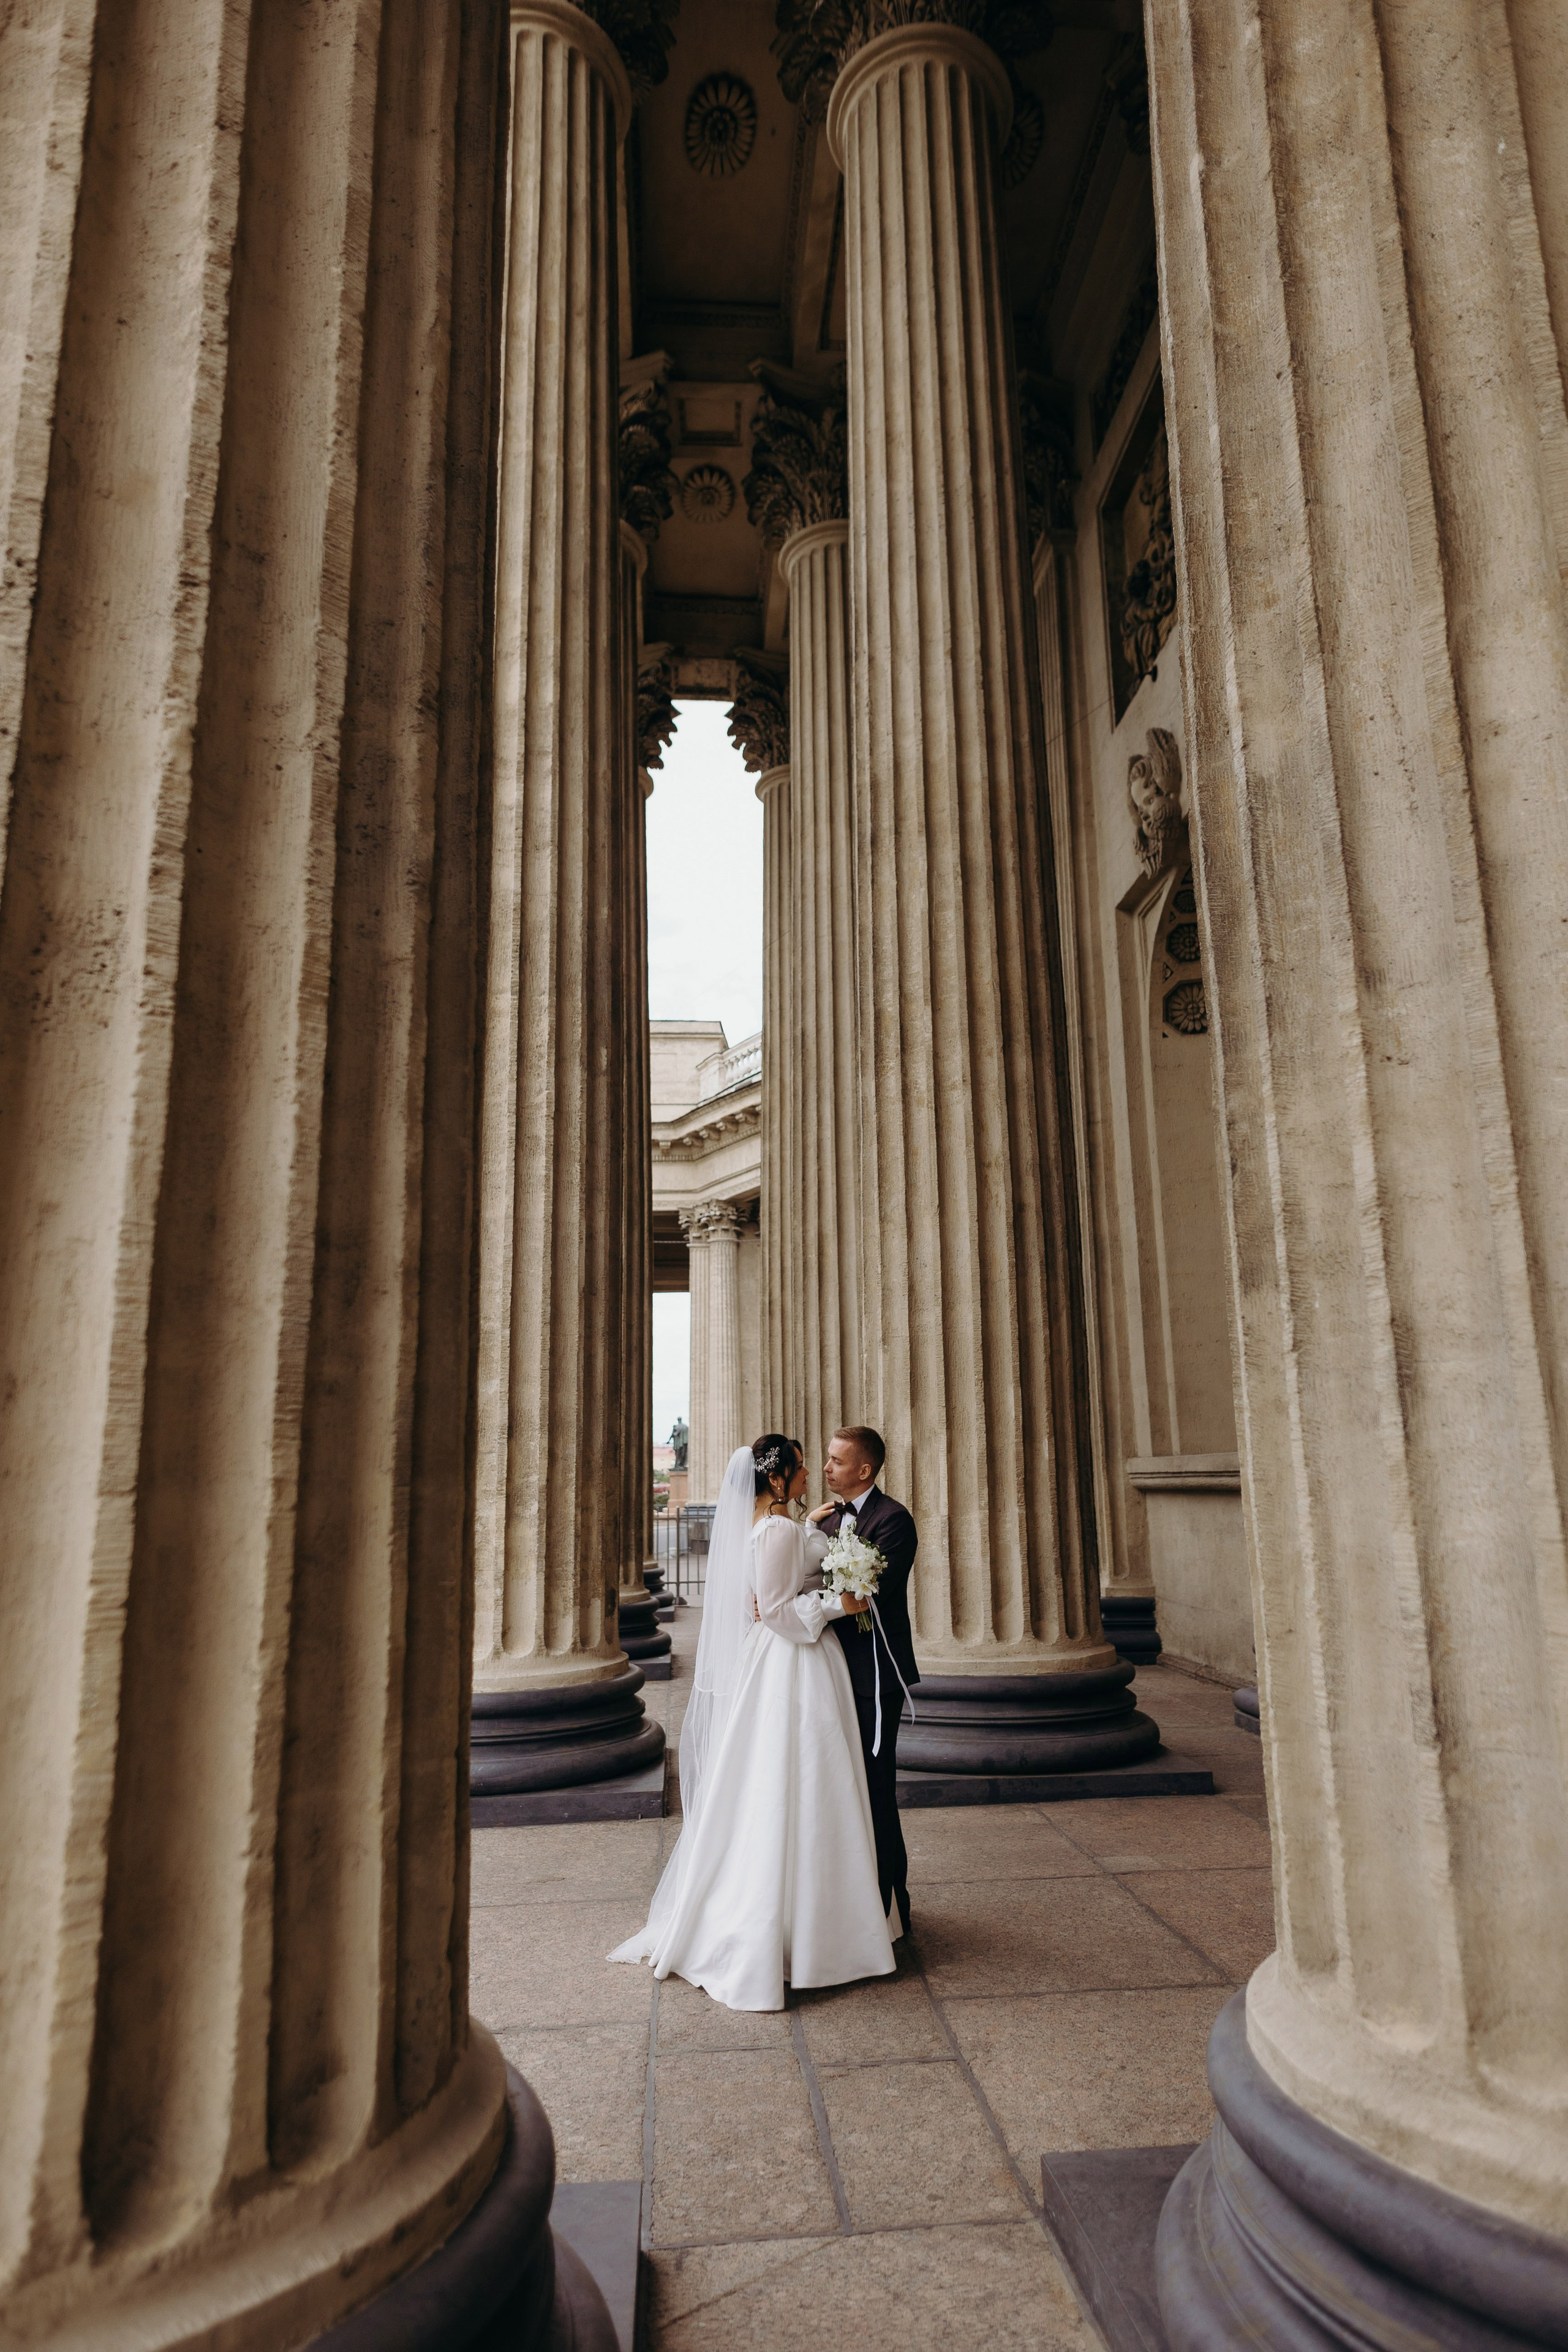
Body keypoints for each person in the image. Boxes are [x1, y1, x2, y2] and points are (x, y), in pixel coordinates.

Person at [609, 1436, 895, 2011]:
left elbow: (774, 1595)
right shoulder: (779, 1531)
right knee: (805, 1782)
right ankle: (814, 1931)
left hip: (783, 1660)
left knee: (782, 1785)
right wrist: (843, 1604)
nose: (812, 1468)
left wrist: (810, 1535)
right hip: (794, 1662)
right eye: (801, 1464)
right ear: (778, 1478)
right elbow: (782, 1612)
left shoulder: (775, 1525)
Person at [816, 1427, 919, 1939]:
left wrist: (797, 1606)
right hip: (830, 1672)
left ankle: (892, 1911)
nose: (827, 1468)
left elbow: (866, 1593)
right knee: (842, 1790)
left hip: (874, 1675)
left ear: (864, 1470)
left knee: (877, 1790)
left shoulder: (893, 1520)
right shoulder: (829, 1519)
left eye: (837, 1461)